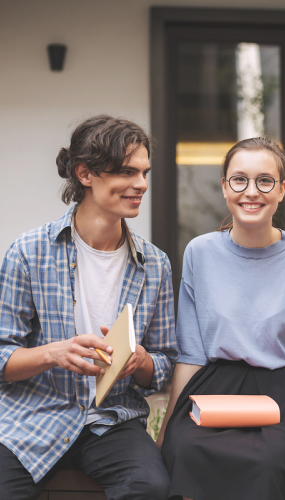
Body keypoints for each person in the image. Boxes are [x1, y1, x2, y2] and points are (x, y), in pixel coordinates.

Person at [158, 137, 285, 500]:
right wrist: (167, 430)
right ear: (224, 187)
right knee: (187, 451)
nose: (251, 192)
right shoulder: (200, 252)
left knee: (271, 461)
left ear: (282, 189)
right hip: (213, 389)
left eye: (264, 181)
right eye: (239, 180)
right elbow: (191, 354)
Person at [0, 115, 177, 499]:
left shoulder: (155, 264)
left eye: (145, 172)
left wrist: (142, 361)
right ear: (85, 174)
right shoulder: (28, 253)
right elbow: (1, 356)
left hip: (112, 421)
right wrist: (55, 354)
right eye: (128, 172)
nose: (141, 184)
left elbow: (166, 362)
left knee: (151, 488)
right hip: (33, 416)